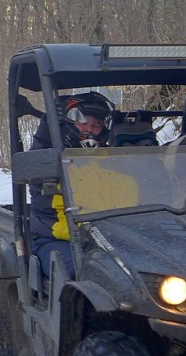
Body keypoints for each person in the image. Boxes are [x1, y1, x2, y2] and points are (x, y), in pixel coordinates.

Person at [29, 91, 115, 279]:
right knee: (88, 273)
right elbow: (37, 161)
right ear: (67, 124)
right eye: (83, 122)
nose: (88, 130)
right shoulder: (50, 159)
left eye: (96, 125)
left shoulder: (111, 161)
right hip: (57, 240)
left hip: (105, 240)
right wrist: (48, 122)